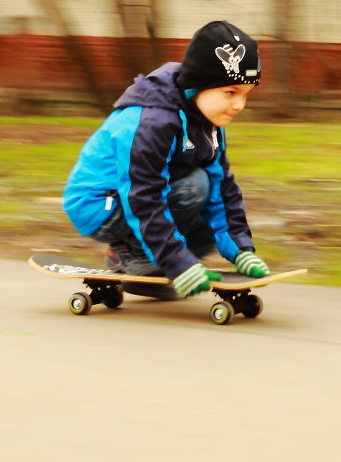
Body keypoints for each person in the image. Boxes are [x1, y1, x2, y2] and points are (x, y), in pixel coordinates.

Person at [62, 20, 272, 299]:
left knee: (208, 201)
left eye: (246, 95)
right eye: (230, 93)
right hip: (99, 204)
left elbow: (224, 188)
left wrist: (240, 249)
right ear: (198, 84)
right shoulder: (151, 122)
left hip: (140, 196)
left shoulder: (208, 121)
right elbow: (143, 193)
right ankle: (131, 255)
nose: (239, 105)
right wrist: (178, 262)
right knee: (195, 186)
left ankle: (152, 264)